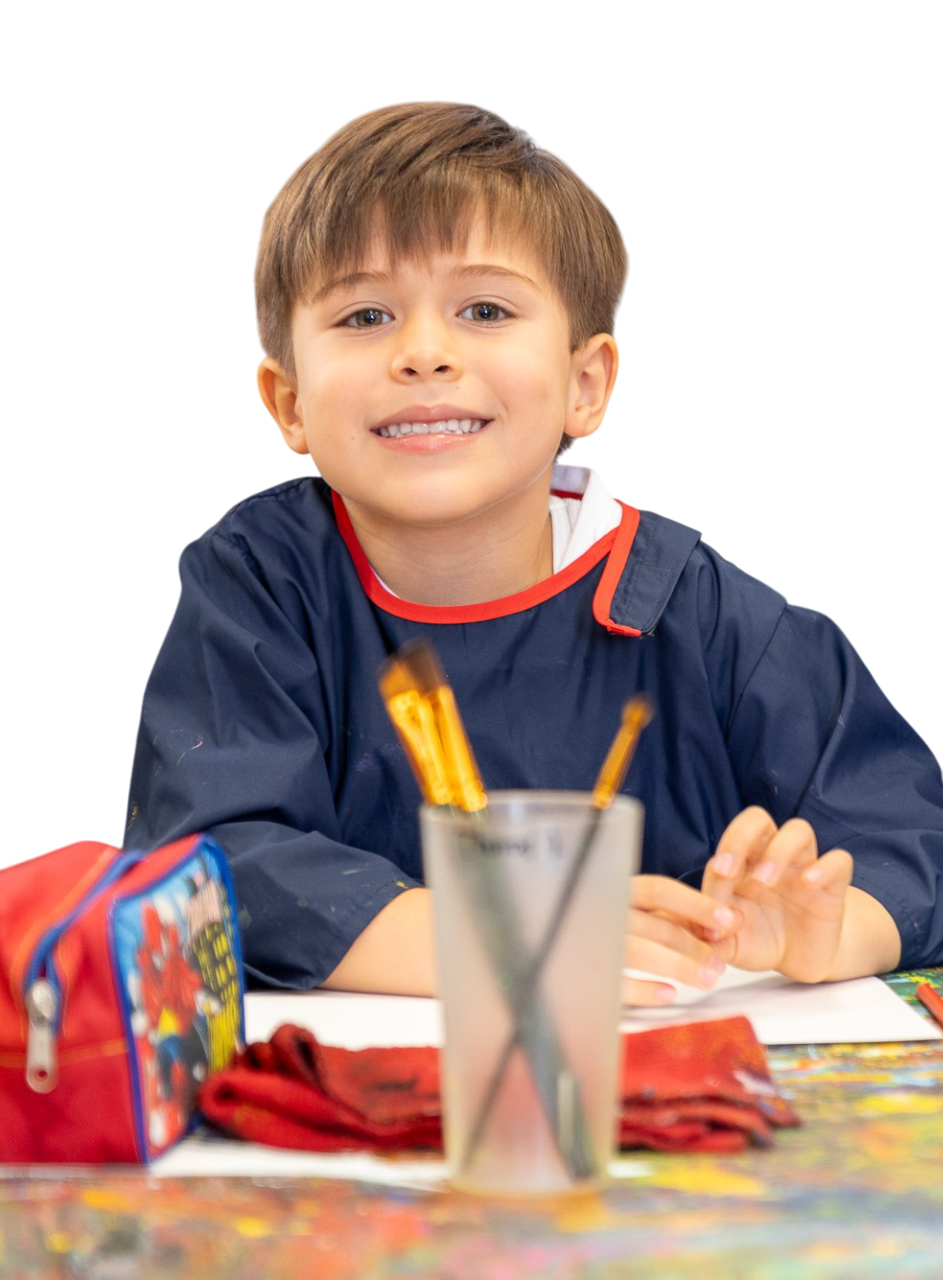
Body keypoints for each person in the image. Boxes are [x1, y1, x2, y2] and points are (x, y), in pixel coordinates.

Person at [124, 101, 942, 1004]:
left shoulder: (703, 616)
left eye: (483, 308)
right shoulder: (257, 584)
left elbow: (908, 836)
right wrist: (518, 938)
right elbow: (207, 864)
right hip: (359, 1121)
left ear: (585, 384)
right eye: (364, 315)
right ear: (287, 404)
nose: (423, 353)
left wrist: (829, 931)